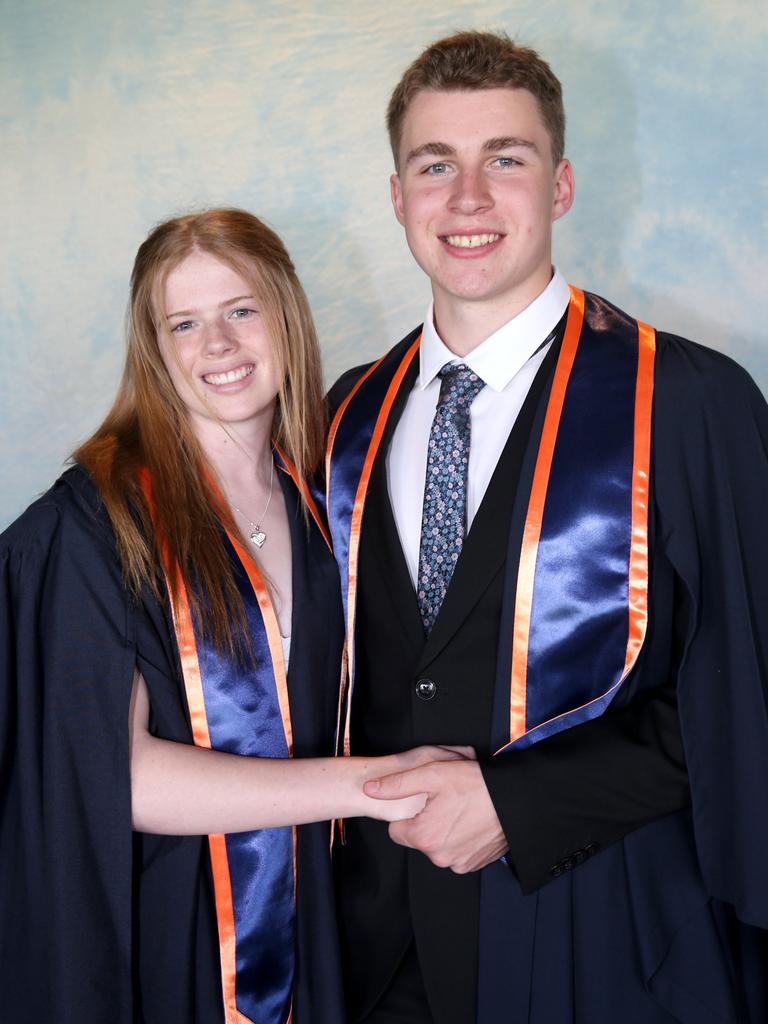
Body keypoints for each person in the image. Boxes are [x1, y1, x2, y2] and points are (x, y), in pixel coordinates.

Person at [326, 31, 768, 1024]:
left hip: (605, 939)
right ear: (398, 196)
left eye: (506, 160)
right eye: (435, 165)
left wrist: (517, 805)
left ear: (560, 185)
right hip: (380, 958)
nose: (469, 197)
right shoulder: (343, 415)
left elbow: (751, 700)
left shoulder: (690, 403)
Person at [0, 208, 448, 1024]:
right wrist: (374, 789)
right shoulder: (97, 525)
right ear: (156, 349)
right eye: (185, 323)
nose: (218, 347)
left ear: (286, 316)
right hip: (168, 934)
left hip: (316, 921)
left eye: (241, 311)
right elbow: (120, 777)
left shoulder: (324, 498)